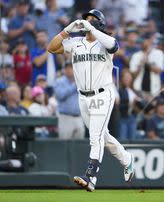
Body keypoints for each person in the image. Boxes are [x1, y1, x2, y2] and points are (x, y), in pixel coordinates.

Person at [47, 9, 134, 191]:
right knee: (103, 136)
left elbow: (114, 45)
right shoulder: (76, 43)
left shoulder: (104, 42)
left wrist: (93, 30)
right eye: (86, 19)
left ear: (100, 23)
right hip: (83, 97)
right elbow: (51, 48)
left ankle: (91, 177)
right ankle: (127, 159)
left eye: (92, 19)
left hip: (102, 94)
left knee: (95, 138)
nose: (88, 21)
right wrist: (66, 30)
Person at [54, 62, 85, 140]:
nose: (69, 70)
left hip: (78, 117)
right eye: (67, 68)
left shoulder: (80, 81)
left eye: (71, 67)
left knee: (78, 146)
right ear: (64, 69)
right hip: (65, 117)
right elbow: (60, 95)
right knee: (64, 146)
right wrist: (74, 86)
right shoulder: (59, 81)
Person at [129, 32, 164, 100]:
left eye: (143, 41)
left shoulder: (158, 53)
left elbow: (159, 70)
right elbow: (133, 74)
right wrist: (141, 64)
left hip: (154, 90)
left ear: (149, 41)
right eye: (140, 42)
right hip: (138, 90)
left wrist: (147, 62)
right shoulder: (136, 55)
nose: (141, 43)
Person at [118, 70, 139, 140]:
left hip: (133, 117)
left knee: (132, 140)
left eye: (129, 77)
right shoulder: (119, 90)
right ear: (122, 79)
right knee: (122, 139)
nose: (127, 79)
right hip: (122, 118)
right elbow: (117, 105)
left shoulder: (134, 91)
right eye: (126, 77)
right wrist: (129, 104)